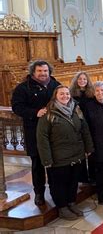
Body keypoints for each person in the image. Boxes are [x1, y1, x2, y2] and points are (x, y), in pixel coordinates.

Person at [36, 86, 94, 220]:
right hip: (58, 157)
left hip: (76, 154)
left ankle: (71, 203)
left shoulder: (76, 110)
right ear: (55, 96)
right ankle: (62, 207)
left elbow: (84, 130)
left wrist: (88, 148)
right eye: (61, 94)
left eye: (67, 94)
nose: (65, 96)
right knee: (59, 184)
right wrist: (46, 159)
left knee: (73, 181)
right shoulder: (48, 114)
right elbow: (42, 137)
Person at [11, 60, 61, 206]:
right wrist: (35, 112)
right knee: (38, 163)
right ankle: (39, 193)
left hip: (54, 129)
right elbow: (17, 107)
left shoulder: (54, 84)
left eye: (45, 71)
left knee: (55, 162)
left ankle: (55, 190)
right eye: (40, 71)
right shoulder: (23, 88)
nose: (43, 73)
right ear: (33, 72)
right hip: (34, 130)